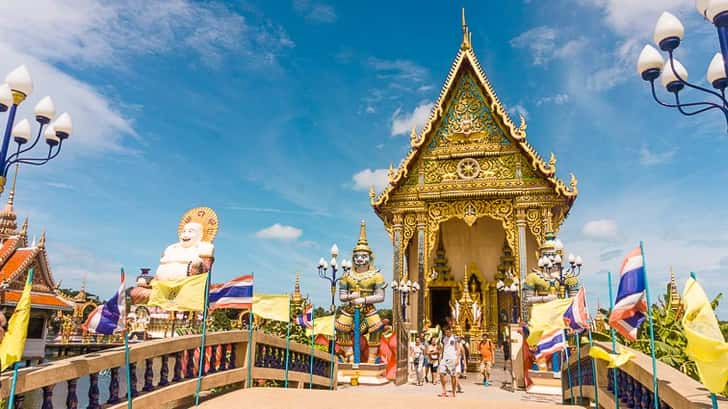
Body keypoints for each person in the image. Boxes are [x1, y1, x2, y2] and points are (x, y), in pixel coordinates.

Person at [438, 327, 460, 397]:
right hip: (444, 358)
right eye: (445, 332)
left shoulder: (455, 338)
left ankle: (453, 392)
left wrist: (457, 359)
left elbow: (458, 349)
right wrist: (441, 357)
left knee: (453, 376)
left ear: (450, 331)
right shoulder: (444, 338)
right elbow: (443, 348)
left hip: (452, 358)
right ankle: (444, 390)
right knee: (441, 373)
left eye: (448, 331)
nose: (446, 333)